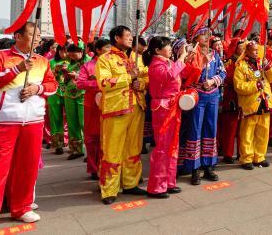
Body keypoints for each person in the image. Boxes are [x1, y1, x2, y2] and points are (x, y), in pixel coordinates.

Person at [0, 23, 57, 234]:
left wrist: (37, 89)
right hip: (4, 120)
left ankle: (21, 207)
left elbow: (52, 86)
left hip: (33, 121)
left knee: (27, 168)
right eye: (32, 34)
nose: (37, 39)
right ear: (18, 36)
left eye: (39, 35)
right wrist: (17, 69)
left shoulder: (42, 61)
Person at [96, 25, 149, 204]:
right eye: (127, 36)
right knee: (112, 149)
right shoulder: (105, 59)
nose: (130, 38)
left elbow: (147, 77)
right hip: (116, 109)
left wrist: (140, 83)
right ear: (117, 38)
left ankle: (131, 183)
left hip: (137, 106)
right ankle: (109, 189)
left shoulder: (137, 58)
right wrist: (128, 78)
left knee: (134, 147)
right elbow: (103, 82)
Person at [178, 28, 225, 185]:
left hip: (212, 95)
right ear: (195, 37)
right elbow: (184, 75)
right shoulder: (191, 53)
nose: (206, 37)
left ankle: (208, 165)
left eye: (208, 35)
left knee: (211, 128)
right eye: (202, 35)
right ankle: (194, 168)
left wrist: (213, 81)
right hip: (196, 94)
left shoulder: (215, 54)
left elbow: (223, 72)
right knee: (195, 129)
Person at [144, 36, 188, 197]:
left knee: (172, 145)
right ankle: (156, 186)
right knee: (162, 147)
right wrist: (182, 58)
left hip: (173, 106)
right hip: (162, 107)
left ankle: (169, 181)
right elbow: (169, 76)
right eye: (167, 46)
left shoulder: (168, 62)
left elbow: (181, 73)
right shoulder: (156, 65)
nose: (170, 49)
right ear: (157, 50)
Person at [234, 41, 272, 169]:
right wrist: (256, 85)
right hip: (250, 104)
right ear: (247, 51)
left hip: (265, 101)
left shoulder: (262, 63)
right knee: (247, 132)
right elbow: (239, 86)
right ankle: (246, 158)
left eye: (256, 50)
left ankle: (259, 157)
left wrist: (269, 66)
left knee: (263, 131)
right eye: (253, 50)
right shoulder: (240, 66)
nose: (255, 52)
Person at [76, 38, 111, 180]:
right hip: (92, 106)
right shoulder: (89, 65)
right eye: (107, 47)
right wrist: (99, 83)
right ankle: (93, 167)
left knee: (108, 137)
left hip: (111, 105)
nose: (110, 50)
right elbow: (80, 83)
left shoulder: (113, 64)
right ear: (98, 50)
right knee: (92, 138)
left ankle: (106, 167)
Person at [218, 38, 244, 163]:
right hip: (232, 97)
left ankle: (242, 152)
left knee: (243, 128)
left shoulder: (246, 61)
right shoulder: (229, 62)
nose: (243, 47)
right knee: (231, 127)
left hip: (245, 97)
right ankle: (228, 154)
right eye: (240, 45)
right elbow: (227, 78)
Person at [63, 43, 89, 160]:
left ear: (82, 51)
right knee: (72, 123)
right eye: (70, 55)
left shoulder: (89, 62)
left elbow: (94, 78)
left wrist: (77, 76)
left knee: (85, 123)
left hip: (83, 95)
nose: (72, 57)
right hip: (69, 94)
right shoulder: (69, 62)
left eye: (74, 54)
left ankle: (91, 152)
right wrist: (66, 75)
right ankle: (76, 149)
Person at [48, 44, 69, 154]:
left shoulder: (73, 62)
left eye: (66, 51)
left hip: (70, 93)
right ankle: (57, 144)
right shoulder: (51, 62)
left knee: (71, 118)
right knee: (56, 118)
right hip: (55, 92)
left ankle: (74, 145)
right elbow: (47, 77)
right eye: (61, 51)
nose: (63, 54)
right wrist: (55, 70)